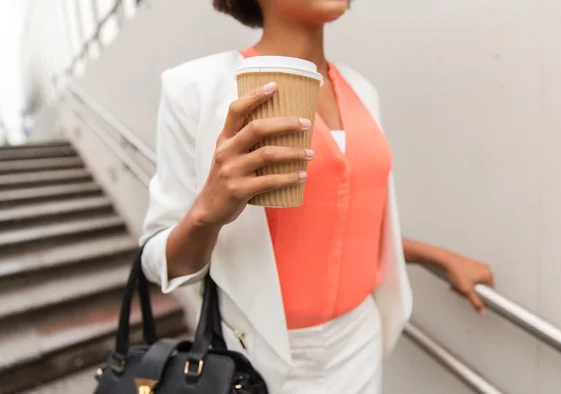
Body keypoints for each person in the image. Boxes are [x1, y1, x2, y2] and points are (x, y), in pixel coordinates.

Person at [140, 1, 494, 393]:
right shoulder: (196, 88)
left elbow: (344, 227)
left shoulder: (363, 91)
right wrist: (207, 212)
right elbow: (158, 261)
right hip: (261, 362)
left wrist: (441, 258)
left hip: (361, 343)